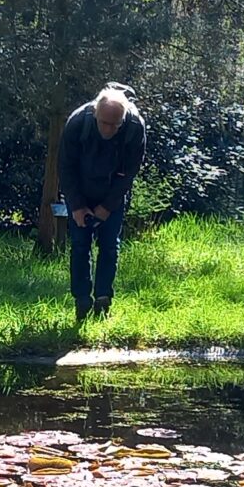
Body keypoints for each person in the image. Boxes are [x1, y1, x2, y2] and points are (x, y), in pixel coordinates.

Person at [57, 83, 145, 322]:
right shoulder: (77, 123)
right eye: (104, 123)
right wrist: (76, 205)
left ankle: (103, 299)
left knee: (109, 246)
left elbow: (129, 173)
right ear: (95, 113)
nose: (109, 129)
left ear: (123, 119)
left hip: (112, 193)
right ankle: (82, 301)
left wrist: (107, 207)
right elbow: (65, 168)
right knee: (79, 245)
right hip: (80, 191)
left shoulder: (134, 128)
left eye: (115, 124)